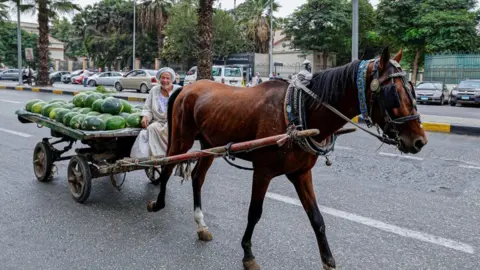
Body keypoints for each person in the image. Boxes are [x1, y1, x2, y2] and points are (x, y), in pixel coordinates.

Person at [130, 67, 182, 158]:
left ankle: (172, 153)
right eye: (163, 78)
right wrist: (145, 117)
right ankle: (159, 155)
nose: (165, 80)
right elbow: (148, 108)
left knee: (167, 129)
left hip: (174, 121)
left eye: (167, 78)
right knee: (152, 128)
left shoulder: (179, 91)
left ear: (172, 79)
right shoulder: (154, 90)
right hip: (158, 121)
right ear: (159, 78)